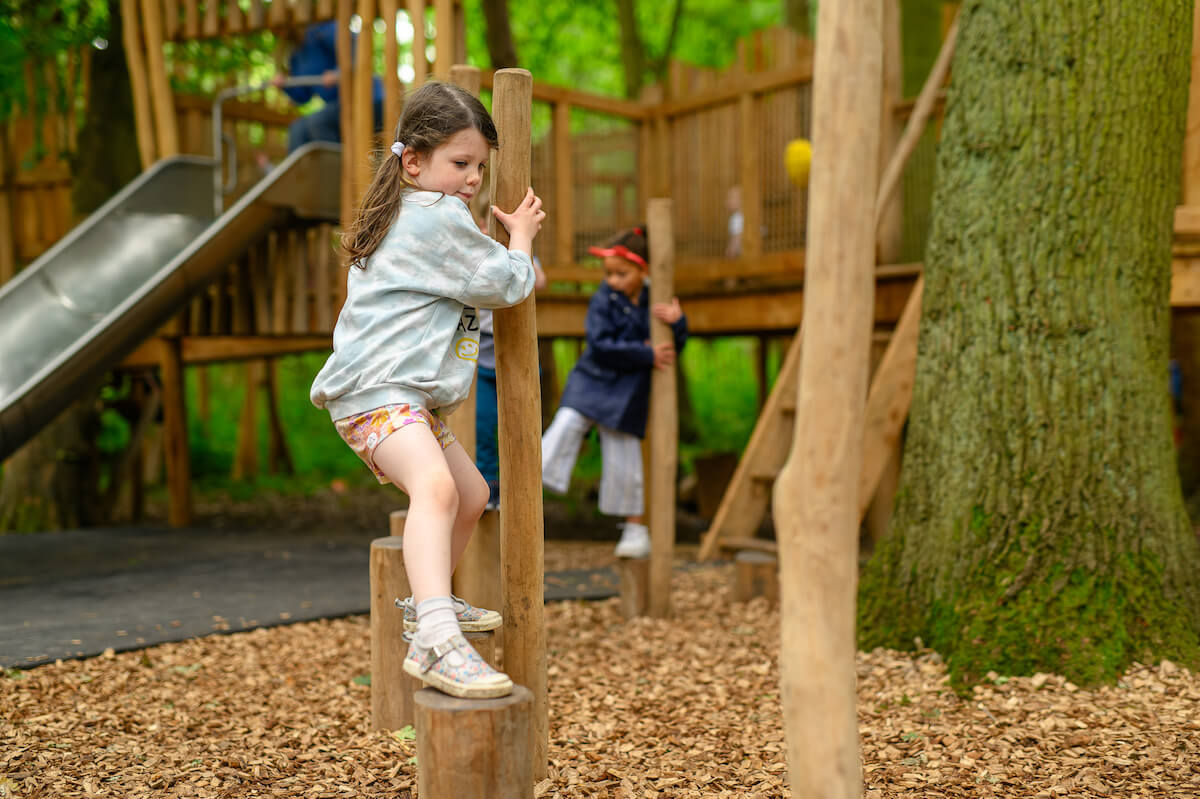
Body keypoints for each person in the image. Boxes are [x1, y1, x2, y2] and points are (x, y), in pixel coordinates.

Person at [310, 81, 545, 699]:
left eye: (480, 167)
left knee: (471, 493)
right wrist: (520, 236)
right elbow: (505, 283)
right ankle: (438, 640)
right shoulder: (433, 214)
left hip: (392, 395)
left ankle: (425, 604)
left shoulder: (407, 208)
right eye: (460, 163)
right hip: (377, 392)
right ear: (413, 161)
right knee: (437, 489)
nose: (473, 179)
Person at [541, 227, 688, 558]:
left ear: (643, 271)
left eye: (622, 274)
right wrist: (644, 353)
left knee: (625, 453)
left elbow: (671, 346)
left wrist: (678, 323)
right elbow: (600, 343)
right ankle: (539, 476)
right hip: (593, 377)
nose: (613, 281)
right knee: (566, 424)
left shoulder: (655, 299)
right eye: (608, 274)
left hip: (627, 388)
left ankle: (634, 531)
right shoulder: (602, 299)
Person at [474, 203, 546, 510]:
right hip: (481, 357)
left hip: (517, 353)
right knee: (483, 423)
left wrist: (518, 247)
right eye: (489, 225)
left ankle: (517, 486)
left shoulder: (520, 252)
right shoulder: (475, 252)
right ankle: (488, 483)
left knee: (519, 422)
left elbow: (539, 280)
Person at [273, 20, 384, 153]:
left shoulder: (321, 30)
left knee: (318, 122)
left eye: (280, 27)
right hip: (336, 109)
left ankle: (341, 170)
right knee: (297, 130)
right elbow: (303, 96)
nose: (279, 33)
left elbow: (357, 49)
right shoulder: (296, 55)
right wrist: (285, 86)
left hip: (368, 100)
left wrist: (339, 73)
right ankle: (305, 174)